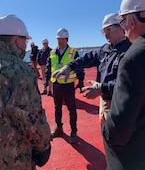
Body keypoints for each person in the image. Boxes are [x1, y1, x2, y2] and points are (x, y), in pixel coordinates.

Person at [52, 14, 131, 165]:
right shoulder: (105, 49)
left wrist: (103, 88)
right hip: (104, 102)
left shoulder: (130, 51)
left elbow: (128, 84)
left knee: (121, 143)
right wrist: (69, 67)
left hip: (120, 105)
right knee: (107, 138)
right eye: (103, 31)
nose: (106, 34)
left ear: (122, 27)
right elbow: (86, 58)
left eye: (109, 29)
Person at [0, 14, 51, 170]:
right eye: (25, 40)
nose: (26, 45)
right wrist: (43, 146)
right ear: (16, 40)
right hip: (12, 160)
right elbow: (30, 118)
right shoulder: (19, 70)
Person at [102, 0, 145, 170]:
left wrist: (106, 131)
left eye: (123, 22)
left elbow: (119, 128)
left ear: (132, 22)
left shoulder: (134, 57)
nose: (124, 28)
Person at [44, 28, 84, 144]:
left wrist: (81, 81)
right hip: (56, 85)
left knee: (72, 109)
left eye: (61, 39)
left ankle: (73, 131)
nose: (59, 41)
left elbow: (79, 66)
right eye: (58, 39)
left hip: (68, 85)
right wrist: (47, 81)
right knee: (57, 108)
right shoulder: (52, 52)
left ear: (66, 39)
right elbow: (49, 67)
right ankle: (59, 128)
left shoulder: (73, 52)